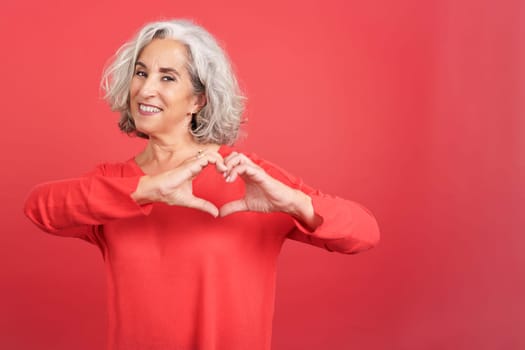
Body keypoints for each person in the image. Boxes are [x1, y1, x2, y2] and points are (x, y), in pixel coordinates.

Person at [24, 19, 380, 350]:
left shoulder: (247, 177)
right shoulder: (116, 185)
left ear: (198, 99)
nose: (146, 88)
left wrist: (294, 202)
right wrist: (147, 190)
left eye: (167, 77)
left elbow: (365, 233)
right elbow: (40, 208)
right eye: (140, 72)